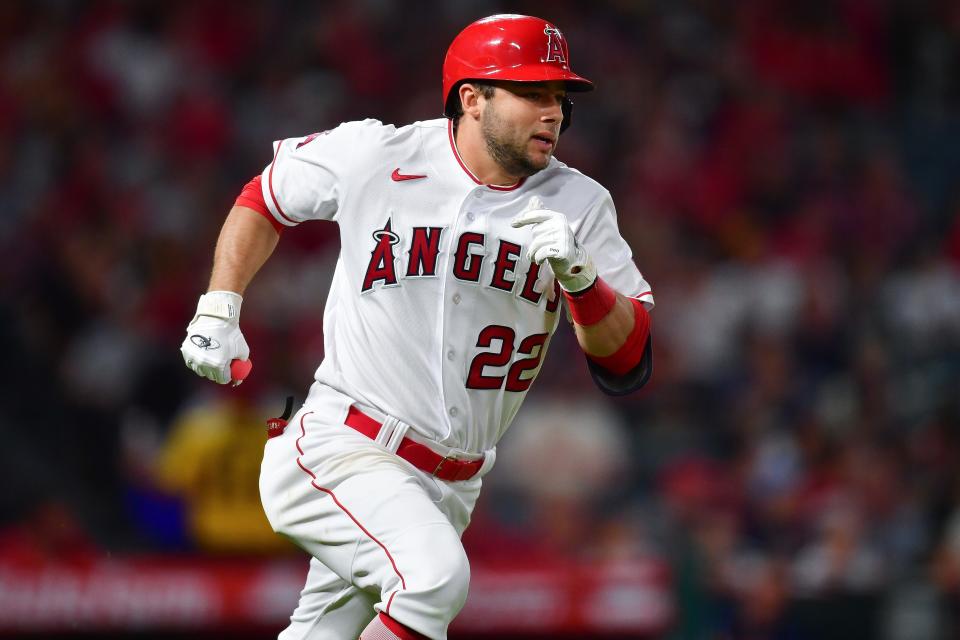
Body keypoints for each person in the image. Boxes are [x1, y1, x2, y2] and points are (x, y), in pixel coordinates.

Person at [180, 13, 654, 640]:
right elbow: (264, 197)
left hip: (453, 482)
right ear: (473, 98)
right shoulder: (380, 153)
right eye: (532, 92)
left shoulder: (581, 203)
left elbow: (628, 358)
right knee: (432, 581)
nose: (553, 113)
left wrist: (583, 282)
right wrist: (220, 303)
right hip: (344, 445)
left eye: (559, 97)